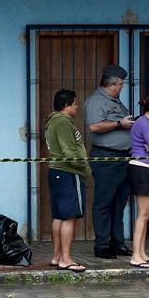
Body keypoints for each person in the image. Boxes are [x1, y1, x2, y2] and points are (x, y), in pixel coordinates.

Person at [84, 65, 134, 259]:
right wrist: (119, 123)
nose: (122, 87)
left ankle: (117, 243)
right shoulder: (96, 101)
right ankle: (102, 245)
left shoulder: (116, 101)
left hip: (122, 158)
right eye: (120, 84)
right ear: (111, 85)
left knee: (119, 203)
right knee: (104, 203)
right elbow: (95, 126)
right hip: (106, 158)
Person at [44, 89, 92, 273]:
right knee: (69, 217)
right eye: (75, 104)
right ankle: (66, 258)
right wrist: (84, 168)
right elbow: (69, 151)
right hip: (68, 172)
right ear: (66, 105)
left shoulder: (53, 121)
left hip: (57, 171)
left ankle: (57, 256)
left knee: (59, 216)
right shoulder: (63, 123)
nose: (77, 107)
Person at [128, 93, 149, 268]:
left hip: (147, 169)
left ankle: (142, 253)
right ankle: (136, 255)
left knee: (146, 213)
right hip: (143, 169)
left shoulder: (142, 123)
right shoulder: (144, 124)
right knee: (143, 214)